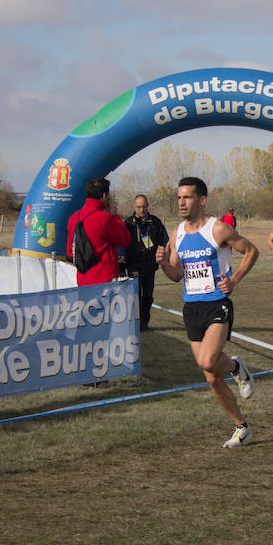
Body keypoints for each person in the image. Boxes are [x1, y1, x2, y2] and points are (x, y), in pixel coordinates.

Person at [156, 177, 259, 448]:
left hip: (217, 303)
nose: (181, 202)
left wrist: (234, 279)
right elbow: (177, 274)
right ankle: (241, 426)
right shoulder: (176, 233)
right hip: (192, 308)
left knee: (206, 361)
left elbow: (251, 251)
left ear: (201, 200)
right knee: (212, 377)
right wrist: (165, 263)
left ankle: (237, 368)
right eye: (179, 197)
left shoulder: (218, 229)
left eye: (187, 197)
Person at [66, 177, 131, 286]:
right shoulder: (105, 218)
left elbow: (70, 252)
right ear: (105, 195)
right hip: (105, 281)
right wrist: (115, 216)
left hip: (83, 280)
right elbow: (125, 240)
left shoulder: (74, 218)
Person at [123, 194, 168, 331]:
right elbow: (121, 243)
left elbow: (165, 240)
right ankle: (134, 324)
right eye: (138, 207)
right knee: (134, 296)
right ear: (134, 207)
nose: (141, 210)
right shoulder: (128, 223)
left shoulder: (155, 222)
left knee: (148, 296)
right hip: (133, 265)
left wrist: (161, 254)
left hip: (149, 266)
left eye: (143, 207)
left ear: (148, 206)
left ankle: (145, 323)